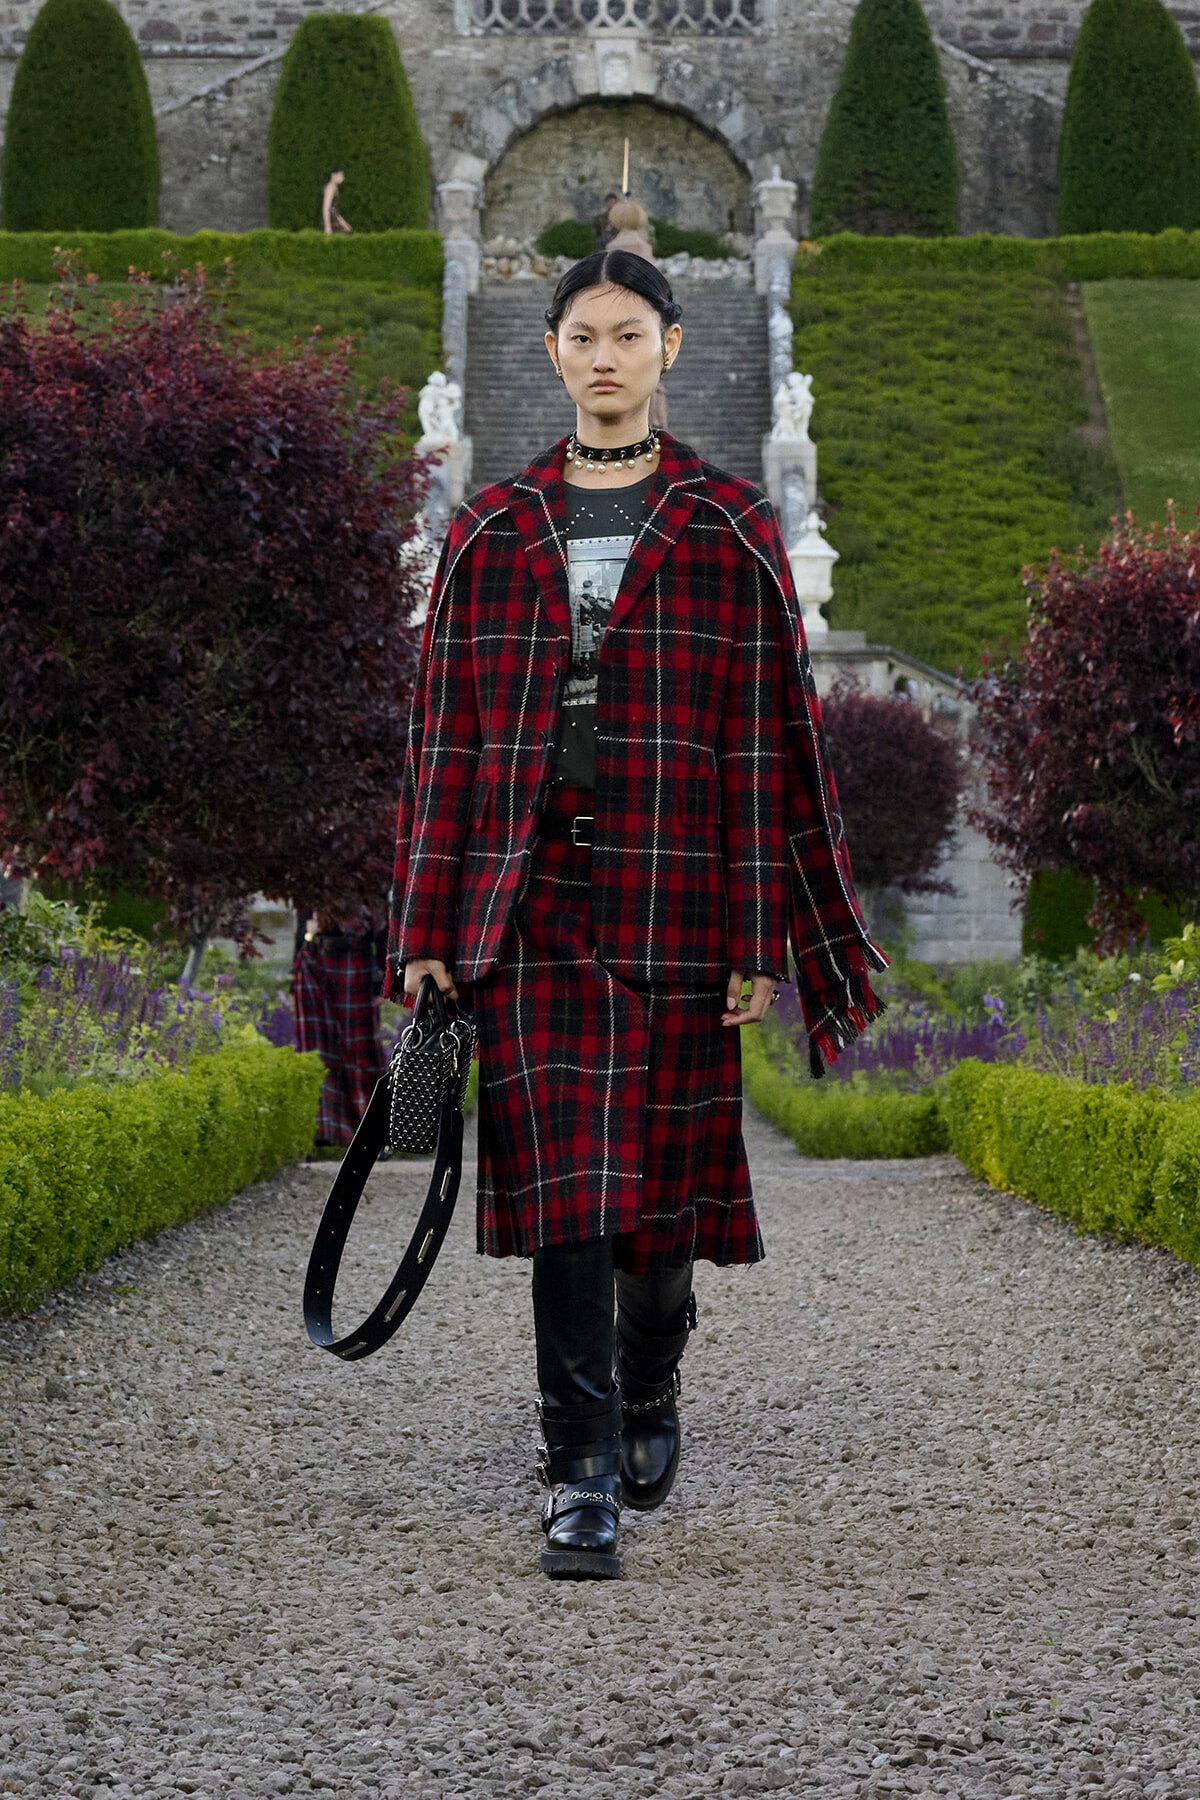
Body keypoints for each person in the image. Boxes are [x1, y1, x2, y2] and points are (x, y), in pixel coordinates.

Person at [388, 248, 885, 1580]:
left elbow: (768, 745)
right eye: (582, 336)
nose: (603, 357)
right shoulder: (492, 529)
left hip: (680, 891)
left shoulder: (729, 524)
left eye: (628, 334)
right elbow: (446, 742)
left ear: (669, 346)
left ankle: (652, 1371)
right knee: (568, 1199)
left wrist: (761, 938)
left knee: (658, 1211)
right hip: (532, 901)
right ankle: (580, 1470)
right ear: (551, 352)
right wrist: (426, 924)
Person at [293, 908, 387, 1145]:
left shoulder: (369, 890)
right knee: (318, 1050)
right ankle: (326, 1129)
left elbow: (383, 927)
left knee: (359, 1053)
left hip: (356, 964)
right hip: (314, 961)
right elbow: (303, 919)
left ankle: (370, 1131)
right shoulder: (314, 888)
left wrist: (384, 979)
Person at [321, 168, 352, 235]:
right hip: (330, 221)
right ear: (333, 175)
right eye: (341, 175)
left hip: (333, 219)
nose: (343, 178)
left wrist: (344, 223)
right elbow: (326, 208)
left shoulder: (334, 187)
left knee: (348, 232)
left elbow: (333, 210)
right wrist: (327, 226)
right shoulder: (330, 188)